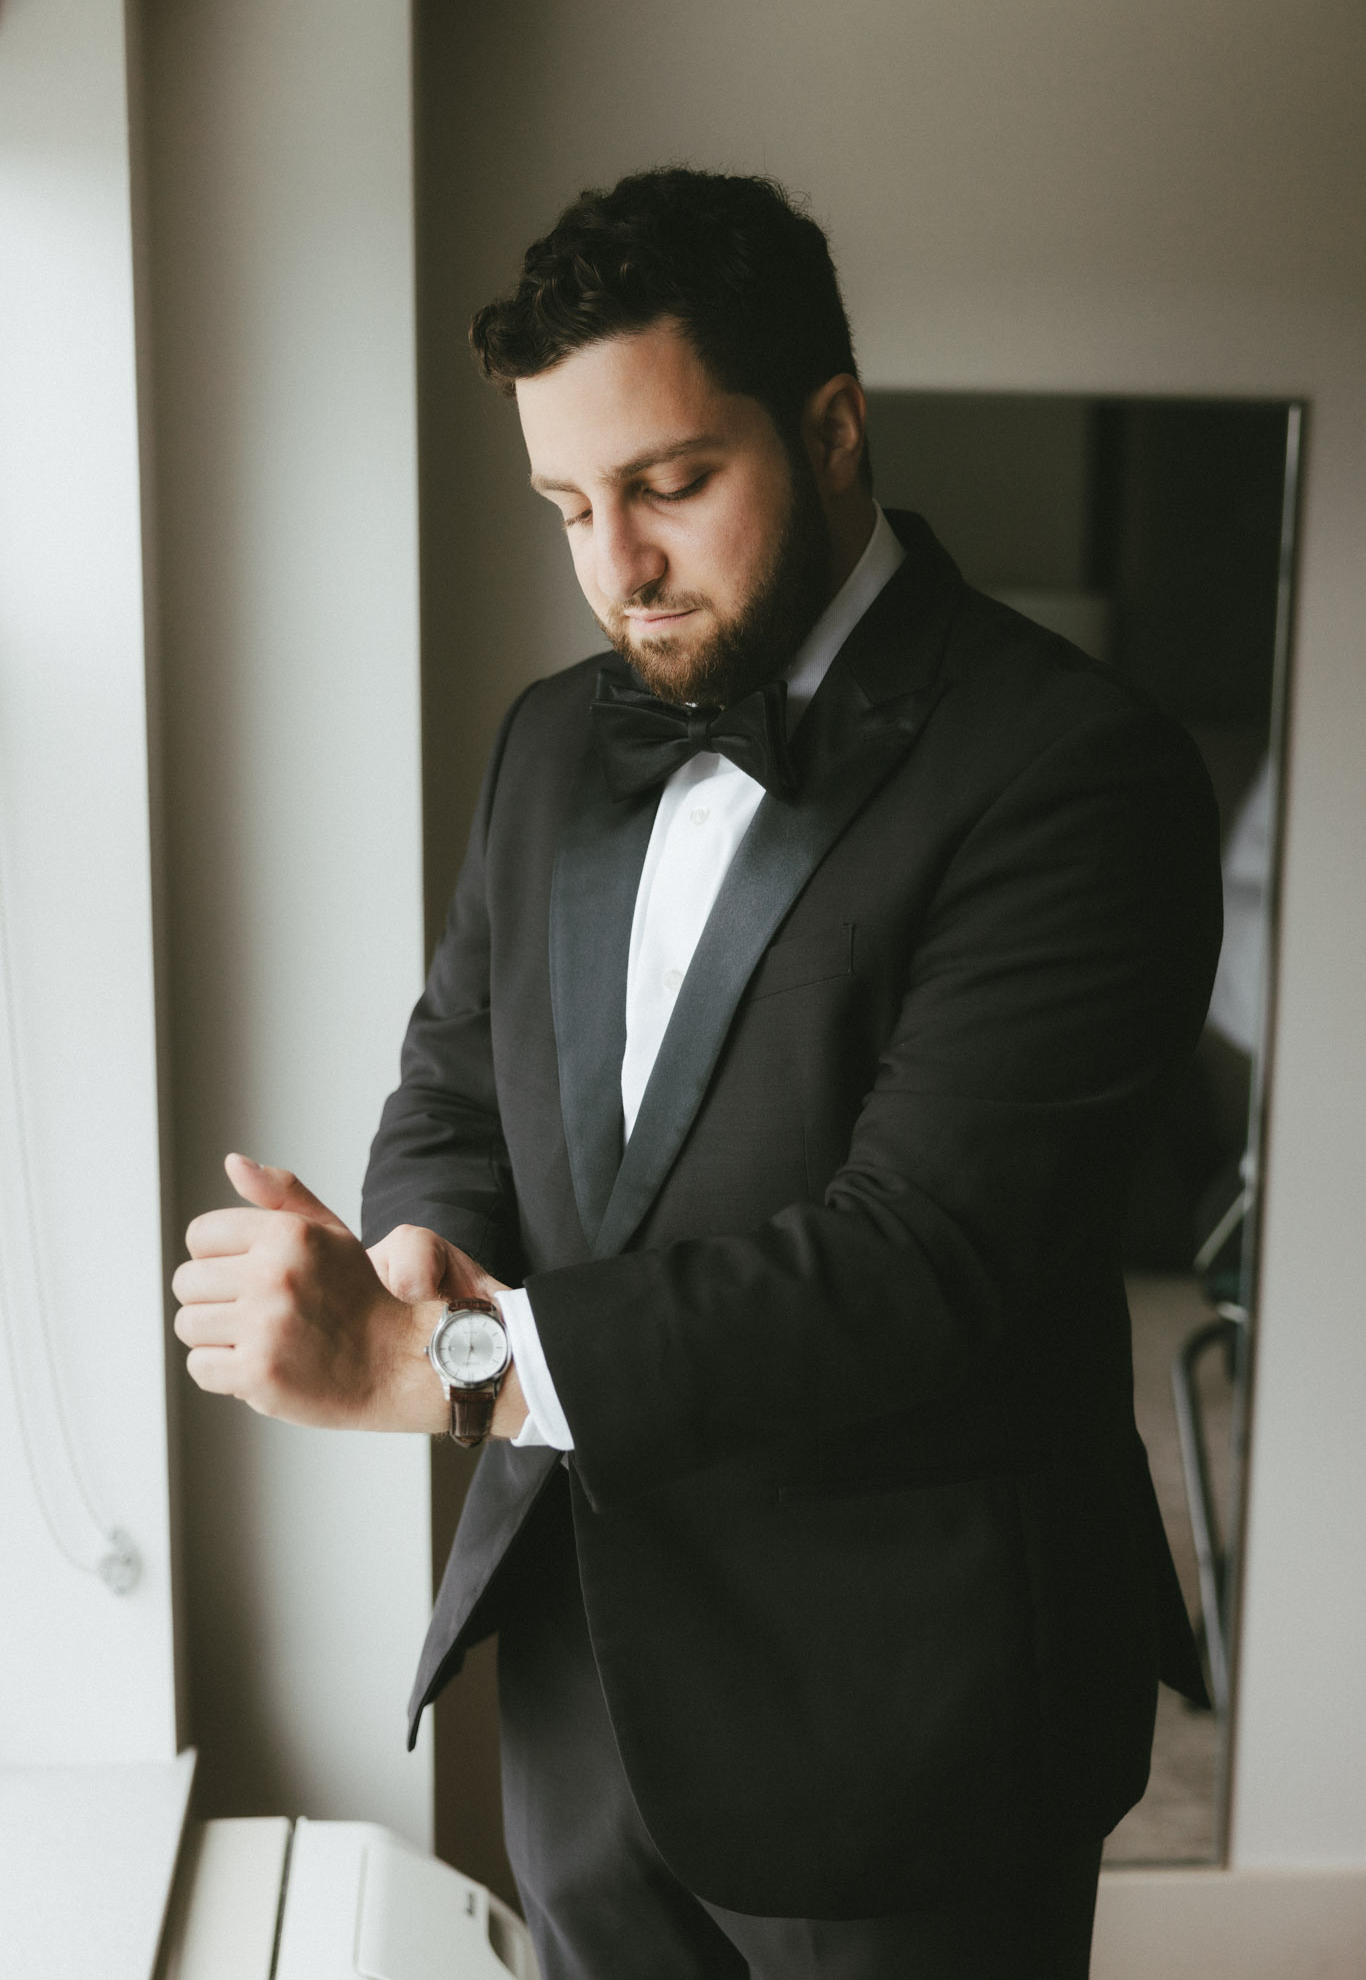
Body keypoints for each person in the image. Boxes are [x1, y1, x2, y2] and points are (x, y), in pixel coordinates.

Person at [173, 168, 1222, 1980]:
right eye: (567, 505)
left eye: (666, 486)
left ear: (830, 429)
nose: (616, 567)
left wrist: (445, 1365)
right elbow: (456, 1078)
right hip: (588, 1680)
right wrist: (426, 1239)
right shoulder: (548, 743)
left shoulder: (1075, 767)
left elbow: (922, 1264)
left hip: (910, 1719)